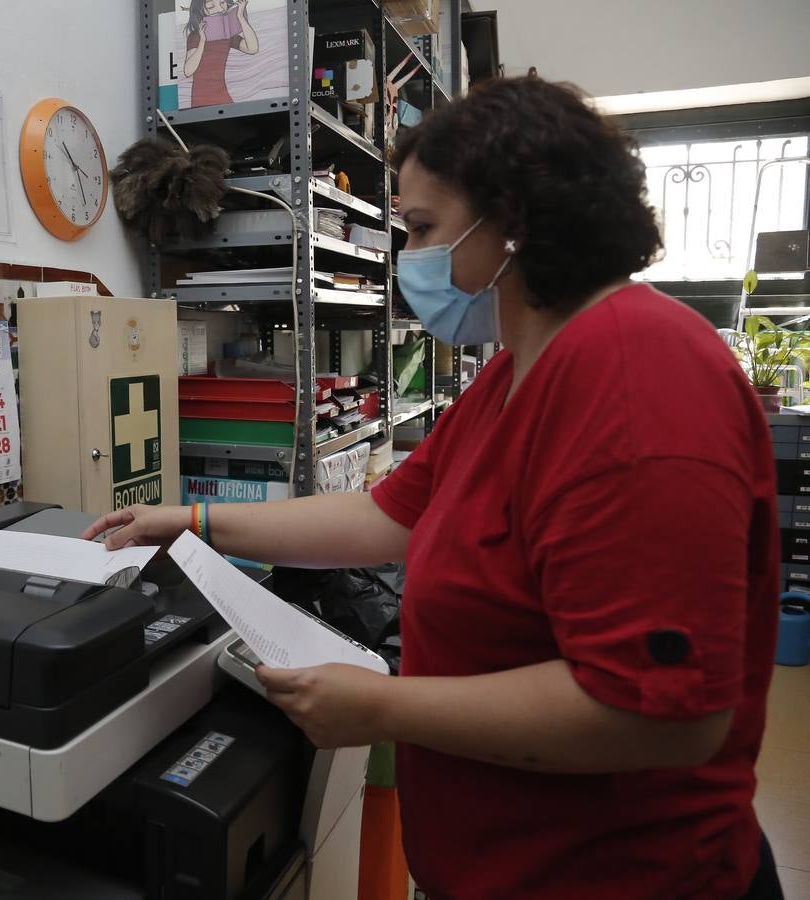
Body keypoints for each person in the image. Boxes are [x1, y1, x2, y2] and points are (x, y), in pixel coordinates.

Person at [84, 77, 783, 899]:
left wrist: (384, 709)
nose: (407, 256)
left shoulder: (636, 377)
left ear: (513, 220)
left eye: (421, 228)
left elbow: (660, 715)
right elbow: (384, 516)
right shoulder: (517, 374)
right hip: (494, 863)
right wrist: (192, 520)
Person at [182, 0, 258, 108]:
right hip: (201, 97)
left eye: (223, 3)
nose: (220, 9)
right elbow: (188, 71)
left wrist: (241, 17)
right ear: (201, 12)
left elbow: (253, 48)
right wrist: (203, 40)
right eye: (211, 7)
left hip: (222, 93)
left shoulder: (227, 34)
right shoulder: (196, 36)